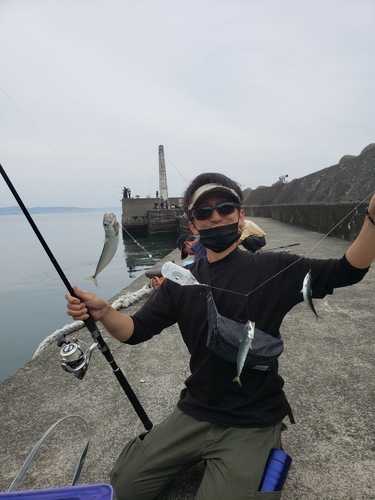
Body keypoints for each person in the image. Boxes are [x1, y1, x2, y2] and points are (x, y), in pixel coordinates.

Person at [65, 172, 375, 500]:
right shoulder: (180, 281)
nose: (215, 216)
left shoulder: (276, 268)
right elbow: (136, 331)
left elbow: (346, 271)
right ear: (193, 225)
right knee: (121, 489)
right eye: (203, 212)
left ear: (241, 216)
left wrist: (371, 218)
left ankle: (265, 444)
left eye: (225, 207)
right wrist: (104, 312)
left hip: (252, 417)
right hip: (196, 408)